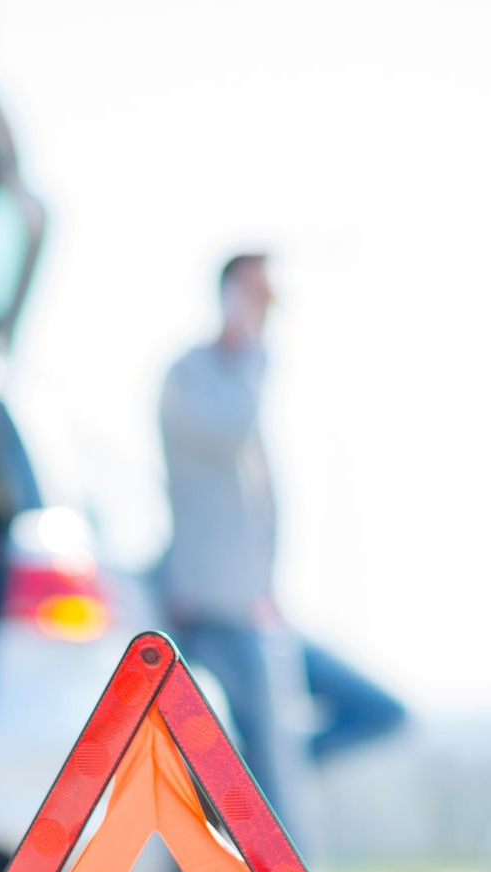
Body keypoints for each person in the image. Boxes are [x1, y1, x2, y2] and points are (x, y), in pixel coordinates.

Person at [158, 252, 404, 840]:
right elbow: (228, 431)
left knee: (380, 712)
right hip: (212, 616)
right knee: (278, 809)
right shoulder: (194, 376)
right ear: (226, 294)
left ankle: (249, 775)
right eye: (255, 297)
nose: (264, 314)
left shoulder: (240, 378)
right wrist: (249, 348)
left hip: (261, 614)